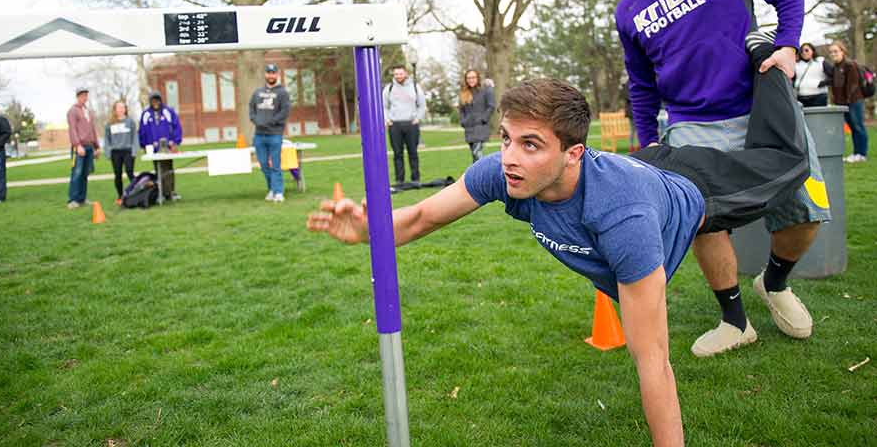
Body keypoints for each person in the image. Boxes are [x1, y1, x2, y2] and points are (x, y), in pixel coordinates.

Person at [308, 37, 811, 447]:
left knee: (788, 162)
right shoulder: (505, 174)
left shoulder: (624, 221)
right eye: (506, 138)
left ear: (572, 153)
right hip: (644, 166)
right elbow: (419, 217)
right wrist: (367, 231)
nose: (509, 157)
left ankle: (764, 54)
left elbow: (653, 360)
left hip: (697, 187)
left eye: (531, 145)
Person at [613, 0, 830, 357]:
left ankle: (774, 283)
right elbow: (641, 82)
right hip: (692, 123)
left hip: (762, 108)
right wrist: (648, 139)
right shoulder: (628, 9)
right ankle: (735, 321)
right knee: (702, 221)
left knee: (808, 210)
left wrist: (788, 46)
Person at [249, 63, 292, 202]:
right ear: (265, 74)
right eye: (268, 72)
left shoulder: (282, 93)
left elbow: (285, 111)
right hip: (259, 135)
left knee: (275, 164)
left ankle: (278, 192)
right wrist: (255, 120)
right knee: (263, 165)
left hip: (275, 134)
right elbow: (251, 109)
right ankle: (272, 189)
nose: (271, 75)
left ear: (277, 74)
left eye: (273, 73)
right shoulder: (257, 92)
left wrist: (271, 122)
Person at [383, 64, 426, 184]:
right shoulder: (389, 88)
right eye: (396, 74)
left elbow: (422, 105)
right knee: (397, 154)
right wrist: (387, 120)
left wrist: (418, 118)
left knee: (413, 152)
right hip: (395, 125)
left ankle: (415, 178)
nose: (398, 76)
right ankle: (399, 180)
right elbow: (384, 106)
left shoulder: (415, 87)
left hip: (411, 124)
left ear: (405, 74)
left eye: (400, 73)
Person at [827, 40, 868, 162]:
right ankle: (856, 153)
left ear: (842, 52)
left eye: (836, 51)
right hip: (843, 104)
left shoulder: (850, 65)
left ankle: (861, 154)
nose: (833, 54)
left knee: (858, 127)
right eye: (831, 52)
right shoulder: (835, 67)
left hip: (853, 102)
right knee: (852, 127)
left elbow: (853, 85)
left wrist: (848, 100)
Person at [139, 91, 183, 200]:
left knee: (168, 168)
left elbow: (177, 126)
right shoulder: (146, 114)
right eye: (153, 100)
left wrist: (176, 142)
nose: (155, 103)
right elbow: (142, 131)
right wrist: (144, 145)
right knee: (158, 169)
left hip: (168, 146)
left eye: (157, 100)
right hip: (153, 148)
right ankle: (161, 193)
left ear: (160, 100)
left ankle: (171, 192)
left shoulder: (168, 111)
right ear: (150, 101)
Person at [66, 88, 100, 209]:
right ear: (78, 96)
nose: (85, 97)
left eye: (86, 95)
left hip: (90, 146)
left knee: (85, 173)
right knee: (77, 173)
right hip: (79, 147)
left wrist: (97, 146)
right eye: (83, 95)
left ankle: (82, 198)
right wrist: (77, 145)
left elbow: (92, 129)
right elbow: (72, 129)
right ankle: (73, 199)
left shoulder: (88, 111)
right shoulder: (72, 111)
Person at [104, 100, 139, 204]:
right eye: (119, 107)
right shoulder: (109, 124)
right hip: (115, 153)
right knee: (117, 174)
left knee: (129, 172)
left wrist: (134, 151)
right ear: (115, 110)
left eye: (123, 107)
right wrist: (108, 152)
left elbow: (134, 138)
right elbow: (107, 139)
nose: (121, 109)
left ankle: (136, 192)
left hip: (128, 151)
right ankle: (120, 196)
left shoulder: (130, 122)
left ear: (125, 109)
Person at [458, 69, 495, 162]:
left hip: (480, 127)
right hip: (469, 128)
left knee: (477, 152)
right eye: (469, 78)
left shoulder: (486, 90)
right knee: (474, 155)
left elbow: (491, 106)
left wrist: (483, 119)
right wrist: (463, 121)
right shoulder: (464, 93)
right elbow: (461, 110)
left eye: (473, 77)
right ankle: (477, 175)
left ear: (477, 78)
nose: (471, 80)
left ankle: (483, 174)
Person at [794, 43, 831, 108]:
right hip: (801, 97)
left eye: (806, 50)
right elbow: (792, 79)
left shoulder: (821, 61)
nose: (804, 53)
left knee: (819, 117)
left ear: (812, 50)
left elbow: (832, 76)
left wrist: (821, 84)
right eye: (801, 51)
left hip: (819, 97)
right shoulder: (796, 64)